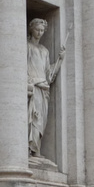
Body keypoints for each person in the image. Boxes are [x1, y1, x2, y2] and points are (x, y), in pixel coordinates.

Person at [27, 18, 64, 157]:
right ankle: (30, 150)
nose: (40, 33)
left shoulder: (44, 51)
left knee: (41, 121)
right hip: (34, 87)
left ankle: (36, 149)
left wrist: (60, 60)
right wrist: (33, 82)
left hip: (44, 90)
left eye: (42, 31)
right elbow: (22, 69)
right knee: (33, 118)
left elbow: (49, 74)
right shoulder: (27, 47)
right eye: (37, 30)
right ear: (32, 29)